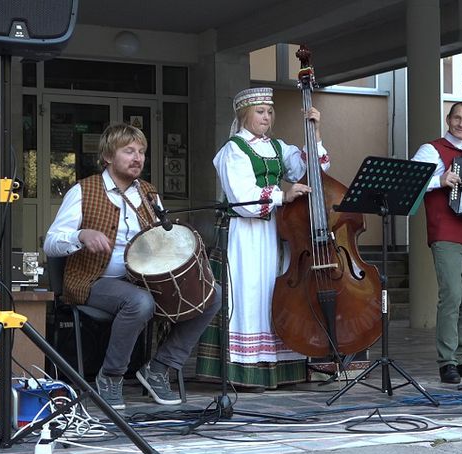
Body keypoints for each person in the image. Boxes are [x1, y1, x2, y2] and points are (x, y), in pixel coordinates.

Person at [44, 123, 221, 410]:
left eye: (141, 152)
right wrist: (81, 235)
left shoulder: (149, 194)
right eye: (129, 151)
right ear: (108, 156)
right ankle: (111, 376)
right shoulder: (84, 191)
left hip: (144, 281)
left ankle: (160, 368)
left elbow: (163, 241)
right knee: (139, 302)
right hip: (92, 280)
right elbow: (51, 242)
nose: (137, 157)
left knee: (212, 293)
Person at [196, 86, 327, 390]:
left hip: (276, 231)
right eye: (260, 111)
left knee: (275, 291)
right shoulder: (233, 149)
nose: (266, 117)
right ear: (244, 114)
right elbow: (241, 197)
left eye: (269, 112)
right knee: (250, 292)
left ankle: (280, 366)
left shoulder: (279, 147)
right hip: (246, 233)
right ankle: (247, 369)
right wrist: (284, 194)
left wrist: (315, 133)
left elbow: (315, 171)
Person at [411, 101, 462, 384]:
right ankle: (447, 363)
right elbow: (411, 182)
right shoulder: (431, 149)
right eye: (457, 118)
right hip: (446, 233)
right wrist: (439, 179)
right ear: (448, 119)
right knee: (452, 296)